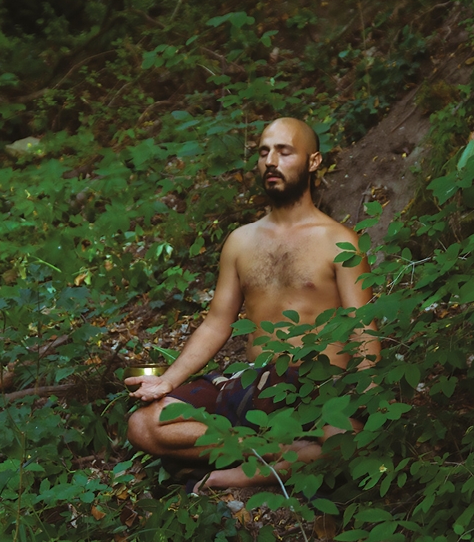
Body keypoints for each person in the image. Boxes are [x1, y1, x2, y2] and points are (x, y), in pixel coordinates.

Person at [125, 117, 381, 492]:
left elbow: (363, 326)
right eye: (263, 152)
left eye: (284, 151)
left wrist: (370, 400)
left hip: (316, 387)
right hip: (252, 383)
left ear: (313, 162)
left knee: (350, 438)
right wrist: (168, 380)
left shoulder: (338, 241)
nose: (270, 161)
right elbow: (216, 323)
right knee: (143, 425)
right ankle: (276, 454)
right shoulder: (241, 241)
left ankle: (235, 474)